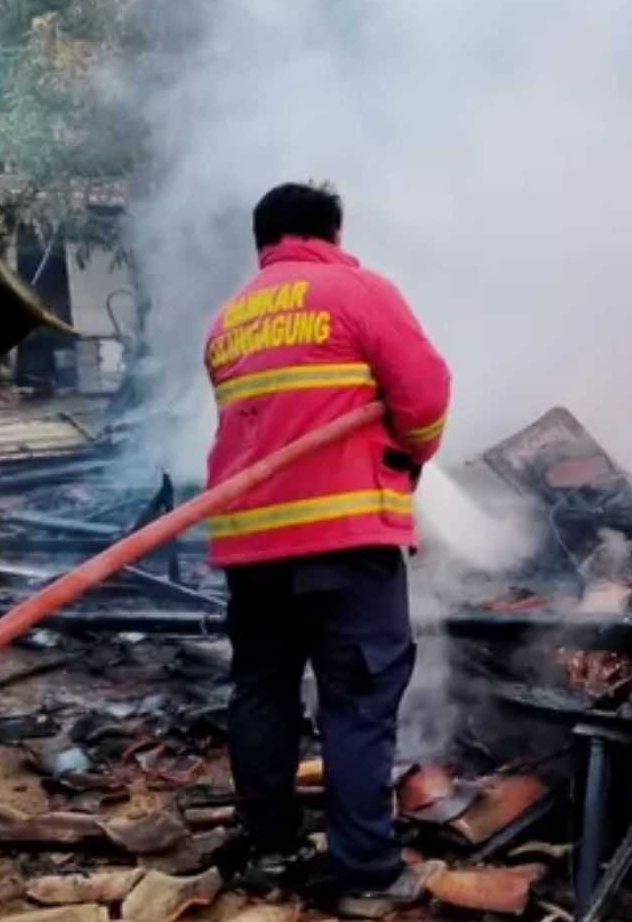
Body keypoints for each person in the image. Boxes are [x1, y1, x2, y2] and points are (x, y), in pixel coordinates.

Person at [202, 181, 450, 907]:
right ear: (333, 234)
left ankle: (273, 852)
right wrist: (411, 459)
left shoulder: (229, 321)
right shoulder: (357, 290)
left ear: (263, 244)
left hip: (251, 548)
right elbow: (425, 398)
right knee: (359, 702)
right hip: (343, 542)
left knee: (261, 696)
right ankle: (366, 877)